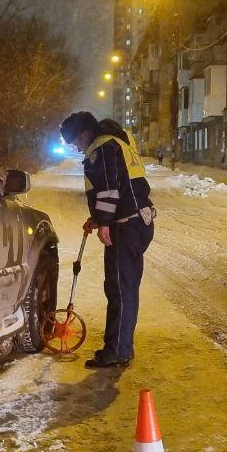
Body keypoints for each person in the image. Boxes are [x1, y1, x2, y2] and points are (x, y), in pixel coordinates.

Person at [58, 111, 155, 369]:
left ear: (84, 134)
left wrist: (104, 222)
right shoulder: (118, 141)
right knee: (123, 289)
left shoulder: (101, 147)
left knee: (120, 290)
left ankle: (118, 351)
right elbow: (122, 186)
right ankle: (122, 347)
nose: (77, 149)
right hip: (137, 221)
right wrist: (99, 218)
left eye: (75, 143)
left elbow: (110, 190)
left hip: (126, 225)